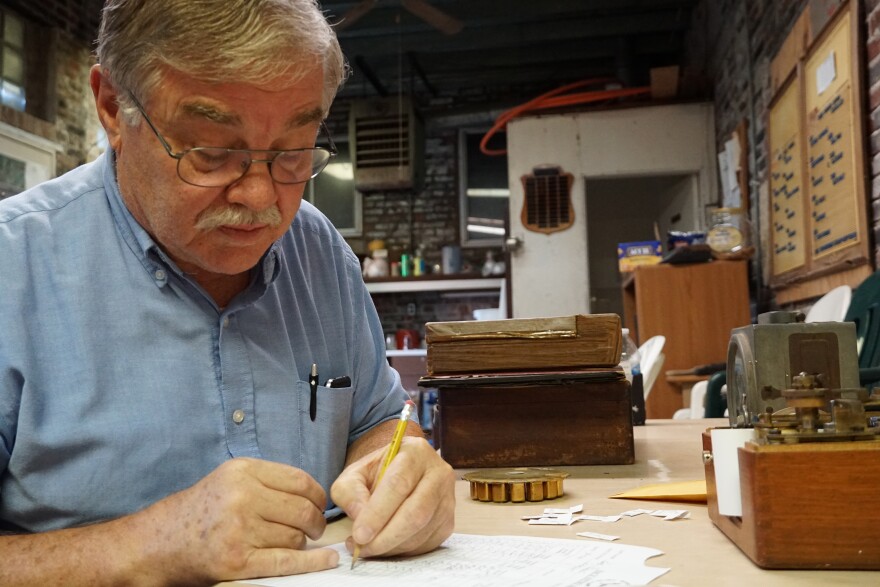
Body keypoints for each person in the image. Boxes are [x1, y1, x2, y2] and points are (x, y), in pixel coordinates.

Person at [0, 0, 455, 584]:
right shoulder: (15, 271)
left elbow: (378, 421)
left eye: (293, 153)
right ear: (113, 107)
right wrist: (147, 544)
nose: (262, 197)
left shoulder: (319, 252)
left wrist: (400, 472)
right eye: (213, 153)